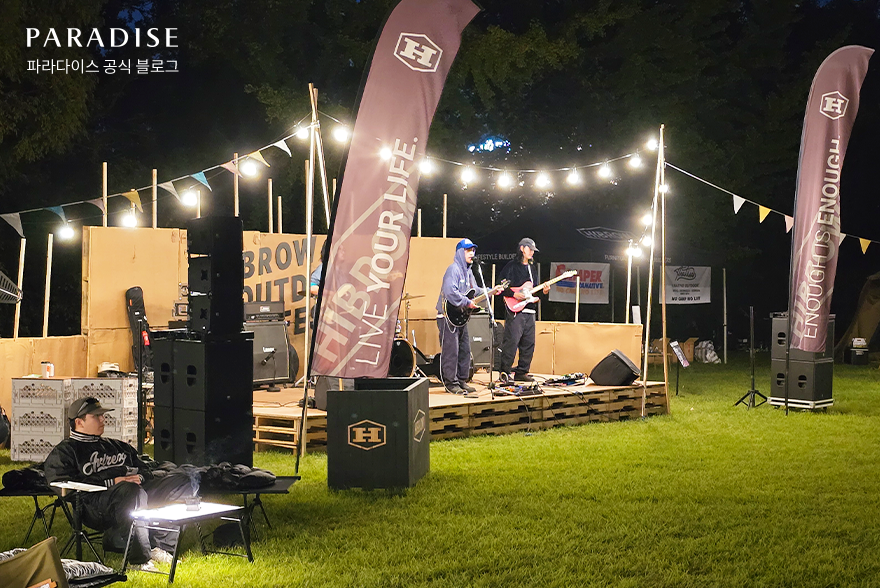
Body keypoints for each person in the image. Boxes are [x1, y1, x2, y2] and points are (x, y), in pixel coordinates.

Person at [43, 397, 193, 572]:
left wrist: (139, 477)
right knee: (131, 491)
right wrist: (113, 482)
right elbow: (62, 484)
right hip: (95, 506)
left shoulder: (115, 446)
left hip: (134, 492)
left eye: (102, 415)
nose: (103, 419)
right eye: (96, 416)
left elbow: (145, 469)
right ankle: (139, 560)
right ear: (79, 422)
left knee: (182, 479)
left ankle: (159, 546)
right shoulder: (65, 452)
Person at [436, 238, 502, 396]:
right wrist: (466, 302)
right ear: (460, 252)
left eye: (473, 250)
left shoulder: (469, 272)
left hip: (460, 316)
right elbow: (450, 291)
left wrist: (491, 291)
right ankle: (451, 383)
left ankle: (461, 380)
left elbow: (476, 290)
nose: (472, 253)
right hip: (447, 316)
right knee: (451, 351)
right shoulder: (453, 269)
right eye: (468, 250)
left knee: (464, 349)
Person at [499, 237, 550, 382]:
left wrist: (544, 291)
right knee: (512, 341)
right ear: (522, 248)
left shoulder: (532, 269)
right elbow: (500, 285)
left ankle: (522, 371)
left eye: (533, 250)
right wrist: (513, 294)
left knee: (529, 343)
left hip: (530, 310)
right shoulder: (511, 266)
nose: (532, 252)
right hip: (515, 310)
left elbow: (534, 292)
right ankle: (504, 372)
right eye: (530, 249)